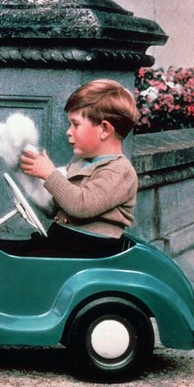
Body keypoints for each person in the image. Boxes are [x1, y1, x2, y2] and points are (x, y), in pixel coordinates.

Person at [19, 79, 139, 257]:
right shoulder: (79, 162)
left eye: (75, 124)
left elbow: (81, 206)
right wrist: (32, 183)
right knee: (9, 248)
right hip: (67, 241)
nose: (69, 131)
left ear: (105, 129)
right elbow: (58, 206)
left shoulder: (120, 171)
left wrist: (49, 174)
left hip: (91, 248)